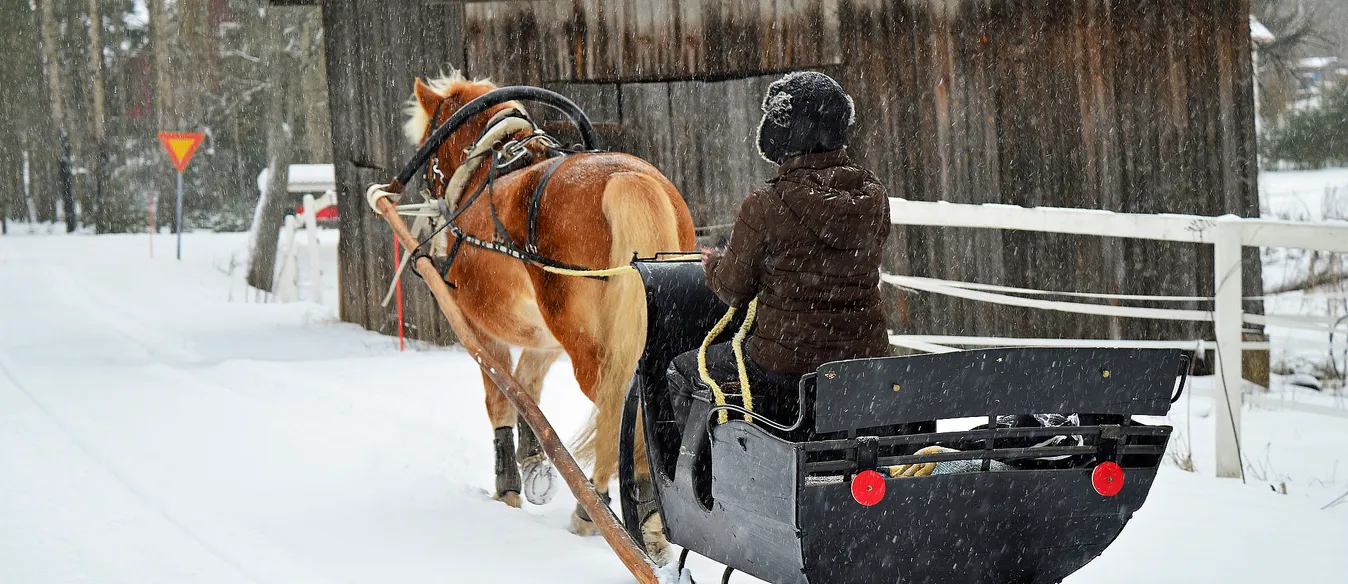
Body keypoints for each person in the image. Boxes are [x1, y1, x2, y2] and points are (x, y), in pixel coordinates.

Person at [666, 71, 893, 436]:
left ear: (782, 136)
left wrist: (714, 264)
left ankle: (707, 484)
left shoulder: (764, 206)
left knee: (684, 370)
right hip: (862, 364)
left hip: (785, 370)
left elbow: (733, 290)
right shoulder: (874, 196)